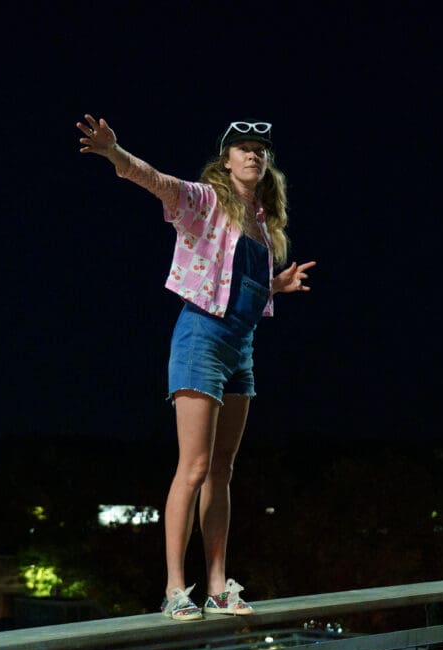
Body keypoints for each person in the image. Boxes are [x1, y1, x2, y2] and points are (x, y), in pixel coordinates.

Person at [77, 114, 315, 620]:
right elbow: (157, 182)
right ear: (225, 161)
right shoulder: (206, 202)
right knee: (196, 466)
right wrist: (115, 153)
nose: (253, 155)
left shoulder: (264, 223)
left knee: (223, 469)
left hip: (241, 348)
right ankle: (173, 589)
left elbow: (238, 283)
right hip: (201, 338)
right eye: (243, 148)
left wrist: (276, 285)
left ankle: (216, 585)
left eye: (261, 150)